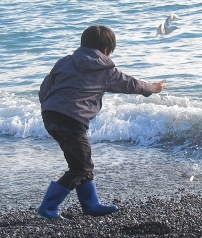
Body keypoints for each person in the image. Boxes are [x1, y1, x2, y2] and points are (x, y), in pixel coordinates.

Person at [37, 25, 165, 219]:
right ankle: (48, 207)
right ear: (107, 51)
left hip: (50, 114)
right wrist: (153, 88)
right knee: (80, 167)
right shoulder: (106, 70)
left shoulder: (65, 62)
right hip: (72, 120)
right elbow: (132, 84)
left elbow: (45, 86)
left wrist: (48, 106)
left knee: (82, 160)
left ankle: (91, 205)